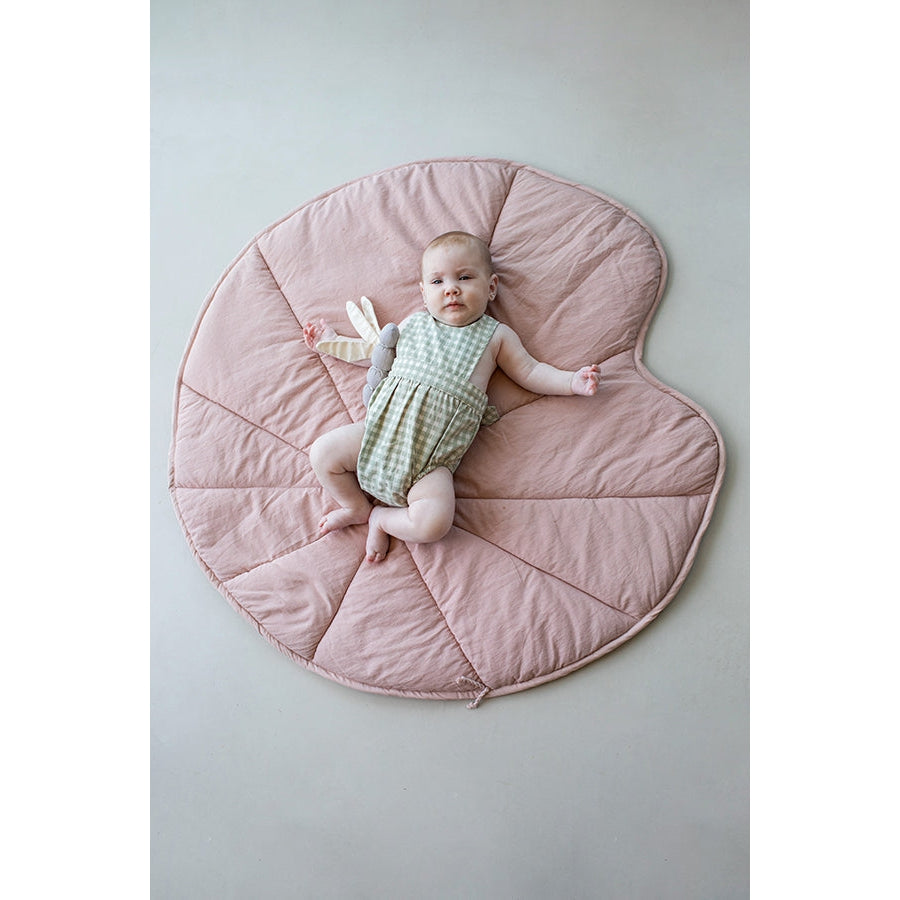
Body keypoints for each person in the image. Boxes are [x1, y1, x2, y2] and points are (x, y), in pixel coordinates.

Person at [302, 231, 601, 563]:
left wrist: (571, 381)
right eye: (437, 281)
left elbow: (530, 372)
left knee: (434, 523)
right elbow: (376, 356)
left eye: (464, 277)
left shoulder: (495, 336)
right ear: (423, 293)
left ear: (491, 287)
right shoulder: (413, 324)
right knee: (322, 453)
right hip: (377, 434)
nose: (451, 289)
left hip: (430, 465)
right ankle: (355, 506)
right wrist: (329, 341)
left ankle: (383, 519)